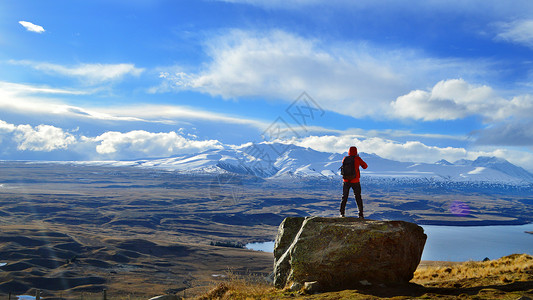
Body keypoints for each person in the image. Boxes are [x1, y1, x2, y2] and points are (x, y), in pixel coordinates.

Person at [340, 146, 368, 218]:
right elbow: (365, 166)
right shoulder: (357, 159)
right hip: (355, 181)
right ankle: (360, 214)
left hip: (346, 180)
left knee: (344, 197)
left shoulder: (344, 158)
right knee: (358, 197)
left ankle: (342, 213)